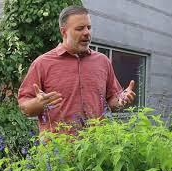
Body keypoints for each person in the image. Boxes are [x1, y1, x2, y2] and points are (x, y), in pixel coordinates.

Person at [18, 5, 136, 133]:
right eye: (80, 29)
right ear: (64, 32)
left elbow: (113, 100)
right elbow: (25, 106)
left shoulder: (103, 61)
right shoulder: (42, 63)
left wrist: (122, 100)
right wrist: (38, 104)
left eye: (89, 28)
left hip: (96, 148)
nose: (86, 33)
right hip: (59, 149)